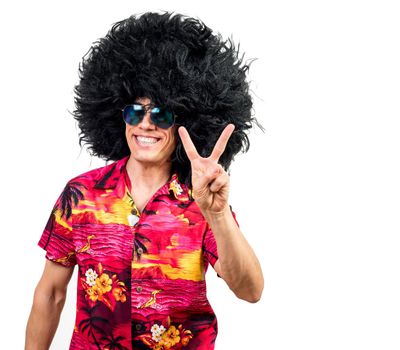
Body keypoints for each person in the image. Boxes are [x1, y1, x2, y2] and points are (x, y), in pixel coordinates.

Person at [25, 11, 264, 350]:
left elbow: (250, 290)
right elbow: (50, 294)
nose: (146, 124)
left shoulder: (203, 201)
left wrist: (218, 214)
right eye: (135, 112)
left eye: (162, 114)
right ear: (117, 115)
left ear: (186, 122)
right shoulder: (80, 194)